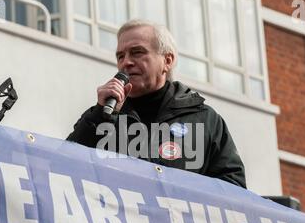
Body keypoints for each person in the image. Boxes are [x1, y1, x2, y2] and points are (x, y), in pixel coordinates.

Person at [67, 19, 246, 188]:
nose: (126, 62)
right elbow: (64, 167)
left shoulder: (204, 120)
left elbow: (232, 187)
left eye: (137, 52)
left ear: (167, 61)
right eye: (120, 56)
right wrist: (99, 115)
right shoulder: (102, 116)